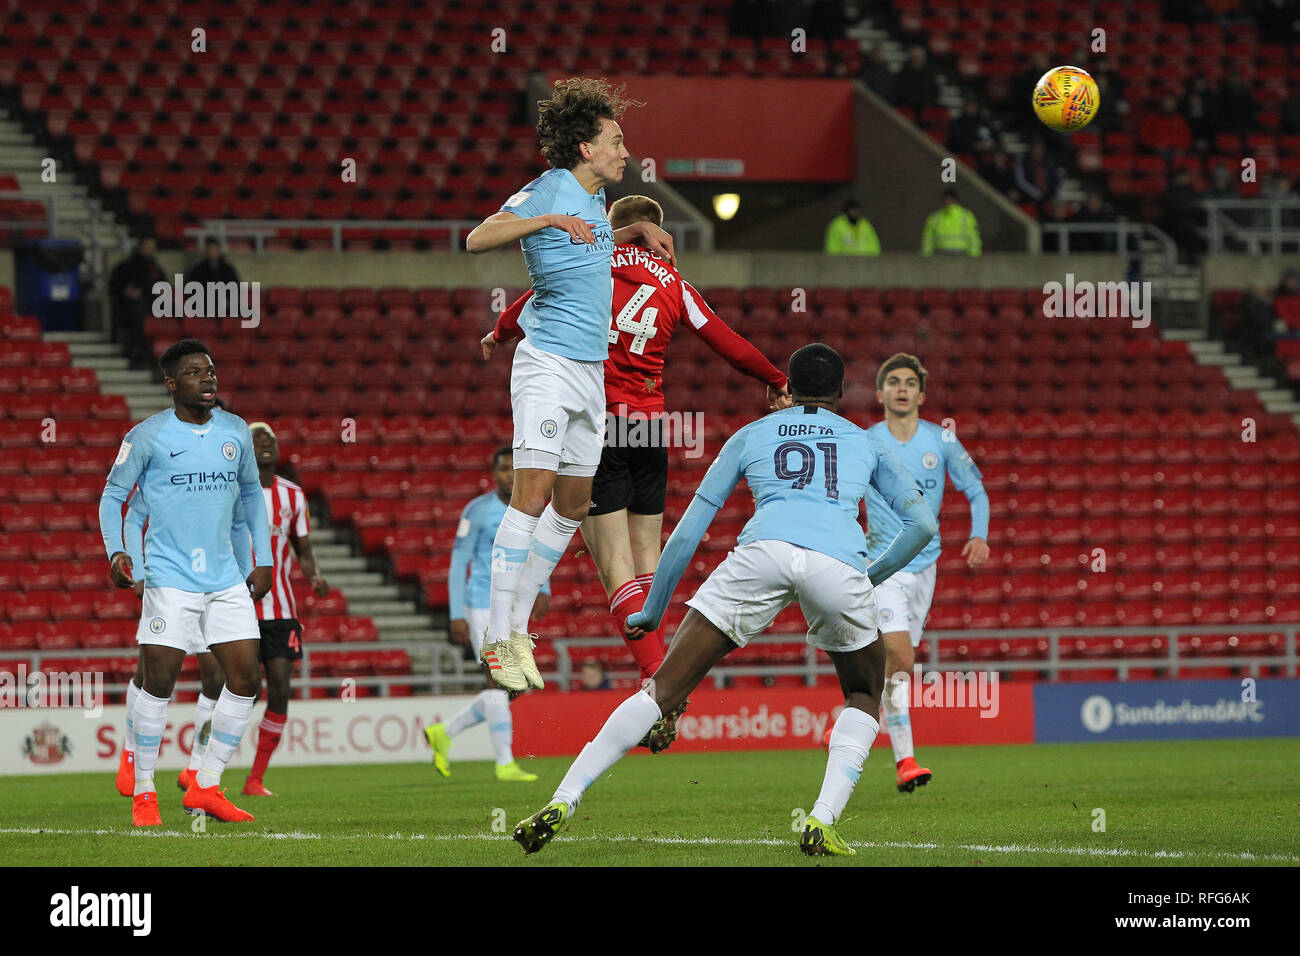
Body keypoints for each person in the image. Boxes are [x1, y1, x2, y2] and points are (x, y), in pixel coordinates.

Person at [512, 344, 938, 857]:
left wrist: (652, 609)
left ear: (788, 389)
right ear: (842, 394)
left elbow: (690, 531)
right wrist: (869, 577)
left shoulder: (751, 434)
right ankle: (821, 820)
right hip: (838, 563)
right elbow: (923, 525)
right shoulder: (864, 442)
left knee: (661, 691)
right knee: (865, 693)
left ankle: (565, 796)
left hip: (761, 554)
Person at [486, 194, 789, 735]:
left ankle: (659, 683)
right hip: (649, 428)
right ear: (655, 231)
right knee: (647, 572)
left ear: (613, 228)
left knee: (617, 573)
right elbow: (728, 342)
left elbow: (534, 301)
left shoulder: (589, 263)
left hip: (598, 422)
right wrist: (775, 379)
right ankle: (661, 679)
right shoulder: (676, 285)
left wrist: (499, 334)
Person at [464, 77, 674, 694]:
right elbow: (477, 239)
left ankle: (519, 626)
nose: (625, 152)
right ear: (585, 147)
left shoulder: (595, 207)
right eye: (615, 140)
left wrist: (629, 235)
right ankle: (498, 635)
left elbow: (588, 258)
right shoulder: (553, 190)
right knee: (532, 494)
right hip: (548, 366)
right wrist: (544, 218)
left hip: (589, 375)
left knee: (574, 503)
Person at [99, 338, 272, 826]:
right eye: (196, 373)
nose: (209, 378)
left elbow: (252, 500)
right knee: (159, 682)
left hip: (225, 578)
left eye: (212, 370)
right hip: (170, 579)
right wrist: (118, 550)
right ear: (172, 384)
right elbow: (114, 496)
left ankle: (207, 784)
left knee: (245, 680)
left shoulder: (236, 431)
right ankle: (146, 793)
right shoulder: (147, 436)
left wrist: (264, 559)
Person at [861, 354, 989, 793]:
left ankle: (850, 717)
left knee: (898, 669)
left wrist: (980, 535)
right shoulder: (867, 442)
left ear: (921, 394)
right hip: (883, 565)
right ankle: (905, 759)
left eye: (909, 383)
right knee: (901, 659)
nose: (901, 388)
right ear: (879, 394)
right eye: (892, 382)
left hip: (925, 569)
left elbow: (976, 490)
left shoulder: (943, 441)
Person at [423, 446, 548, 782]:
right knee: (499, 677)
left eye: (514, 468)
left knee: (513, 687)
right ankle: (505, 763)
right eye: (503, 469)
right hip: (482, 604)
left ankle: (443, 732)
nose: (509, 474)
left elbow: (537, 551)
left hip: (515, 605)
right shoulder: (476, 512)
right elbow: (458, 563)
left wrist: (544, 588)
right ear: (494, 474)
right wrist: (455, 613)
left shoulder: (531, 507)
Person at [114, 493, 251, 798]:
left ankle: (195, 767)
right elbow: (134, 516)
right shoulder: (166, 462)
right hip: (169, 579)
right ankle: (130, 754)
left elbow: (239, 524)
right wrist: (138, 571)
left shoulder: (224, 472)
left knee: (216, 681)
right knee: (150, 677)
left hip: (214, 582)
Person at [237, 421, 329, 798]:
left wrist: (315, 577)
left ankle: (255, 779)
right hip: (237, 609)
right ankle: (203, 770)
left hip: (281, 610)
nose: (265, 443)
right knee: (241, 688)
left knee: (279, 686)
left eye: (270, 439)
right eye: (257, 439)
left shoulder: (294, 496)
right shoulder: (232, 493)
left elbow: (302, 550)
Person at [108, 237, 164, 364]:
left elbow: (162, 286)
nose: (150, 250)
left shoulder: (155, 269)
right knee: (137, 313)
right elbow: (116, 286)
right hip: (133, 308)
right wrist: (126, 292)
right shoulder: (127, 266)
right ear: (140, 247)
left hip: (154, 305)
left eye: (152, 247)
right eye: (148, 246)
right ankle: (136, 352)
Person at [921, 189, 981, 256]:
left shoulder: (966, 216)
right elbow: (928, 239)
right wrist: (926, 255)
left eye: (949, 199)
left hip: (960, 253)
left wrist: (974, 255)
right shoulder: (935, 217)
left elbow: (973, 237)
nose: (948, 201)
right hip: (942, 253)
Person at [1013, 140, 1061, 206]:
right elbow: (1021, 182)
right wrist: (1037, 193)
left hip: (1047, 197)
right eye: (1037, 149)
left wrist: (1053, 194)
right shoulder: (1023, 161)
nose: (1039, 152)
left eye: (1041, 150)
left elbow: (1057, 180)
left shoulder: (1048, 162)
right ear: (1031, 150)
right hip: (1028, 196)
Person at [893, 46, 939, 113]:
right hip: (908, 108)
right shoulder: (903, 74)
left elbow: (935, 91)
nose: (917, 60)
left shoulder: (929, 74)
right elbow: (899, 92)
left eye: (920, 58)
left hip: (925, 108)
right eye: (915, 58)